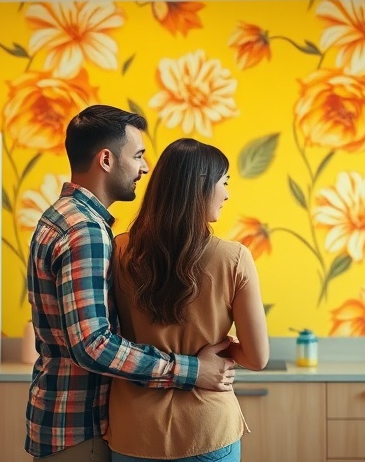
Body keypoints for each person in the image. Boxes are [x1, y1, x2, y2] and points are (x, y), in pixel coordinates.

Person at [25, 106, 237, 461]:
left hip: (62, 420)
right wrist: (191, 370)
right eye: (137, 155)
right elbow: (92, 344)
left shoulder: (62, 216)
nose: (145, 167)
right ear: (106, 159)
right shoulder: (86, 230)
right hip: (80, 428)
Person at [106, 138, 270, 462]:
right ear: (200, 187)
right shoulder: (234, 258)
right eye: (224, 182)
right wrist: (217, 353)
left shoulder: (119, 250)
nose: (227, 193)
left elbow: (107, 334)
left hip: (133, 431)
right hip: (206, 429)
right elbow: (257, 357)